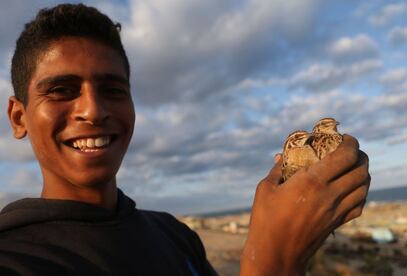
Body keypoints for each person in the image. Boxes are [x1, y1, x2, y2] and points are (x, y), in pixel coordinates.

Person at [0, 3, 370, 276]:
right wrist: (272, 259)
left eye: (112, 89)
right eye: (62, 90)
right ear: (19, 117)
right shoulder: (16, 260)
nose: (93, 110)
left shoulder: (174, 235)